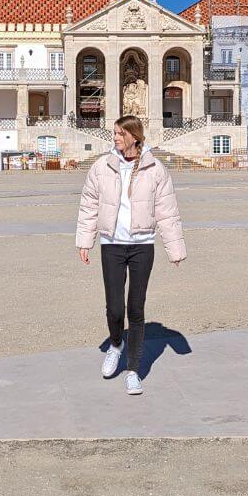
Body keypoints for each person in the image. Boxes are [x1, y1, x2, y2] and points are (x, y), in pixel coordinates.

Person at [76, 115, 186, 395]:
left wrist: (174, 249)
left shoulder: (155, 168)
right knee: (115, 308)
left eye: (119, 133)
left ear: (134, 137)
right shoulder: (102, 166)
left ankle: (133, 370)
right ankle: (116, 344)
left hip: (142, 245)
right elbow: (89, 204)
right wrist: (85, 240)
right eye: (113, 133)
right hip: (111, 244)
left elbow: (167, 210)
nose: (114, 138)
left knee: (136, 309)